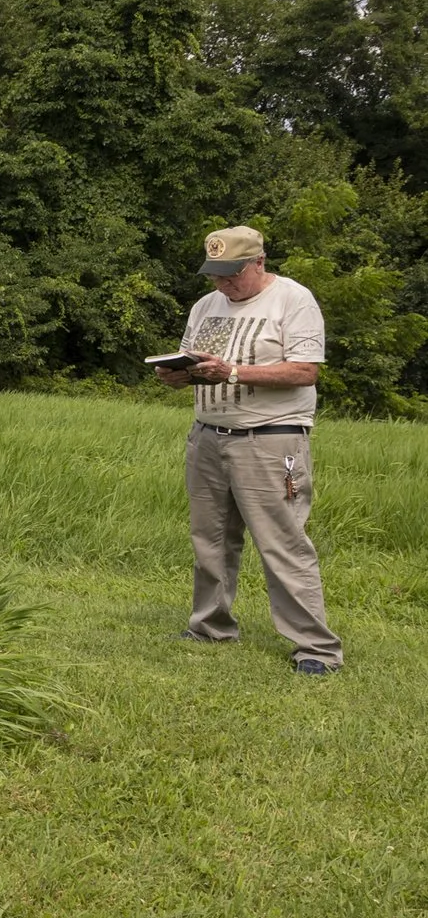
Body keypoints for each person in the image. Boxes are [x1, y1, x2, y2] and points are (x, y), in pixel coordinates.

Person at [153, 225, 343, 674]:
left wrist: (234, 372)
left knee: (283, 543)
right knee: (211, 539)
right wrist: (178, 375)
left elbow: (305, 371)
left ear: (258, 262)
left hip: (271, 439)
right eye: (215, 274)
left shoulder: (293, 300)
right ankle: (210, 626)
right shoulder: (205, 306)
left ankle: (315, 649)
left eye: (232, 274)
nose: (222, 283)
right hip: (207, 435)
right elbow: (194, 362)